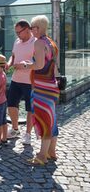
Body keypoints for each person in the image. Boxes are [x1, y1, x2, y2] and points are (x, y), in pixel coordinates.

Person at [15, 15, 60, 166]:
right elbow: (48, 63)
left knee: (44, 120)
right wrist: (32, 63)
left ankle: (42, 156)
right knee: (51, 119)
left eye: (32, 27)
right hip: (52, 86)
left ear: (38, 28)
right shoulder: (51, 42)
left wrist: (25, 65)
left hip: (42, 87)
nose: (31, 30)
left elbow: (39, 65)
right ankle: (51, 151)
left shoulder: (39, 43)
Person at [5, 20, 36, 145]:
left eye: (19, 32)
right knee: (11, 104)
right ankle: (15, 129)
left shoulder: (36, 42)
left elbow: (38, 63)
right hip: (16, 79)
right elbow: (13, 55)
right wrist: (9, 63)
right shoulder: (17, 42)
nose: (17, 35)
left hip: (30, 81)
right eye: (16, 32)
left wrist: (23, 65)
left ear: (27, 29)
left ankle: (28, 134)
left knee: (30, 109)